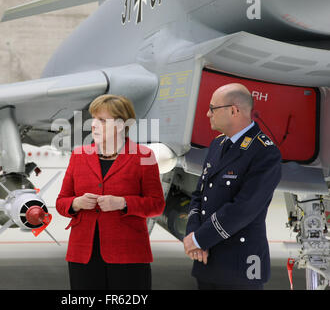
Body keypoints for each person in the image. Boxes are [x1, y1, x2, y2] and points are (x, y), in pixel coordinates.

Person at [56, 94, 165, 290]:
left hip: (128, 255)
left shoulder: (144, 156)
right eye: (93, 119)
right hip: (83, 255)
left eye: (102, 120)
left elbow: (156, 205)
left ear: (121, 125)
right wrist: (76, 203)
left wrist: (123, 203)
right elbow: (61, 202)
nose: (94, 125)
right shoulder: (79, 156)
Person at [183, 83, 282, 290]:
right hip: (207, 261)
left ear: (234, 110)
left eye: (212, 108)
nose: (207, 113)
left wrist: (201, 239)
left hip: (240, 266)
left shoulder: (264, 152)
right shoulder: (217, 145)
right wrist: (193, 237)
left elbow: (244, 208)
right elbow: (199, 196)